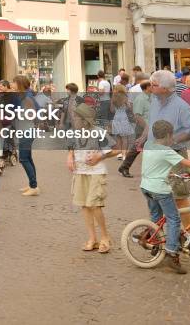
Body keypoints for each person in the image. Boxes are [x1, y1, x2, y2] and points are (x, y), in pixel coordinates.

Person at [140, 120, 190, 274]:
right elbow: (189, 163)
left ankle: (156, 244)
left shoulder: (149, 145)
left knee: (156, 216)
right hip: (160, 189)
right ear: (169, 135)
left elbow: (154, 164)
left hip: (146, 187)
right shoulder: (166, 151)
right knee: (174, 219)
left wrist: (167, 172)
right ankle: (171, 253)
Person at [148, 70, 190, 250]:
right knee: (157, 196)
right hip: (156, 157)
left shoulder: (181, 106)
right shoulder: (154, 102)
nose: (150, 88)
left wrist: (171, 141)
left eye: (154, 85)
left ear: (165, 88)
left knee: (179, 197)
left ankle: (189, 236)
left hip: (175, 159)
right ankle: (161, 234)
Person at [67, 103, 119, 254]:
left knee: (95, 205)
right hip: (80, 172)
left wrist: (99, 156)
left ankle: (105, 237)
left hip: (96, 172)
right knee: (84, 205)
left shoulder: (98, 133)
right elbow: (71, 148)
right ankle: (92, 239)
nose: (73, 119)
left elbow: (116, 150)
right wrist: (69, 157)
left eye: (76, 117)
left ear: (84, 120)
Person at [11, 74, 40, 196]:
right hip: (27, 130)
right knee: (28, 158)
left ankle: (33, 187)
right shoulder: (24, 95)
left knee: (23, 158)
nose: (12, 84)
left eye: (13, 82)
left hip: (27, 131)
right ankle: (32, 184)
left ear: (19, 84)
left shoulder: (26, 97)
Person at [118, 80, 151, 178]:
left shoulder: (150, 98)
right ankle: (124, 167)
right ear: (147, 87)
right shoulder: (141, 99)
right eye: (152, 86)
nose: (153, 87)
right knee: (136, 149)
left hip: (150, 127)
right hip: (143, 128)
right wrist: (145, 127)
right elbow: (137, 116)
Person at [110, 84, 134, 157]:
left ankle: (119, 153)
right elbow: (130, 109)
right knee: (124, 139)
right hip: (124, 118)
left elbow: (112, 110)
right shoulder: (125, 97)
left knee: (118, 138)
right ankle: (124, 154)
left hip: (116, 118)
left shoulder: (113, 98)